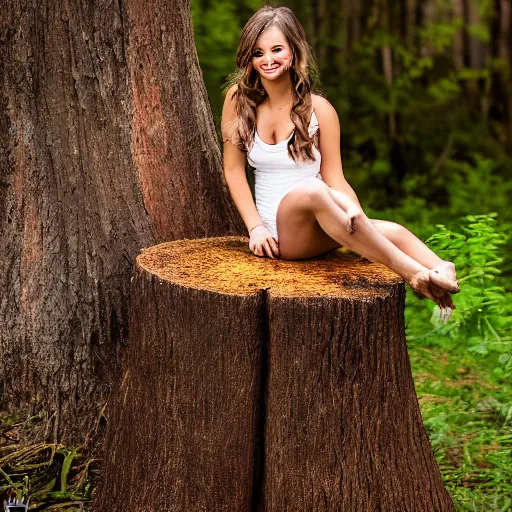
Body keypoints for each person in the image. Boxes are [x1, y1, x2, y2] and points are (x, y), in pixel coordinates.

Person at [221, 6, 459, 320]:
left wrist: (355, 212)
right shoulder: (239, 99)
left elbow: (335, 178)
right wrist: (254, 229)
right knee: (313, 191)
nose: (268, 60)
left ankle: (442, 269)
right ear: (248, 57)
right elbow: (234, 170)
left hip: (320, 222)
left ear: (294, 51)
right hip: (280, 237)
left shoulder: (320, 110)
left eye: (277, 49)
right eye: (258, 52)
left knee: (393, 230)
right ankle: (413, 274)